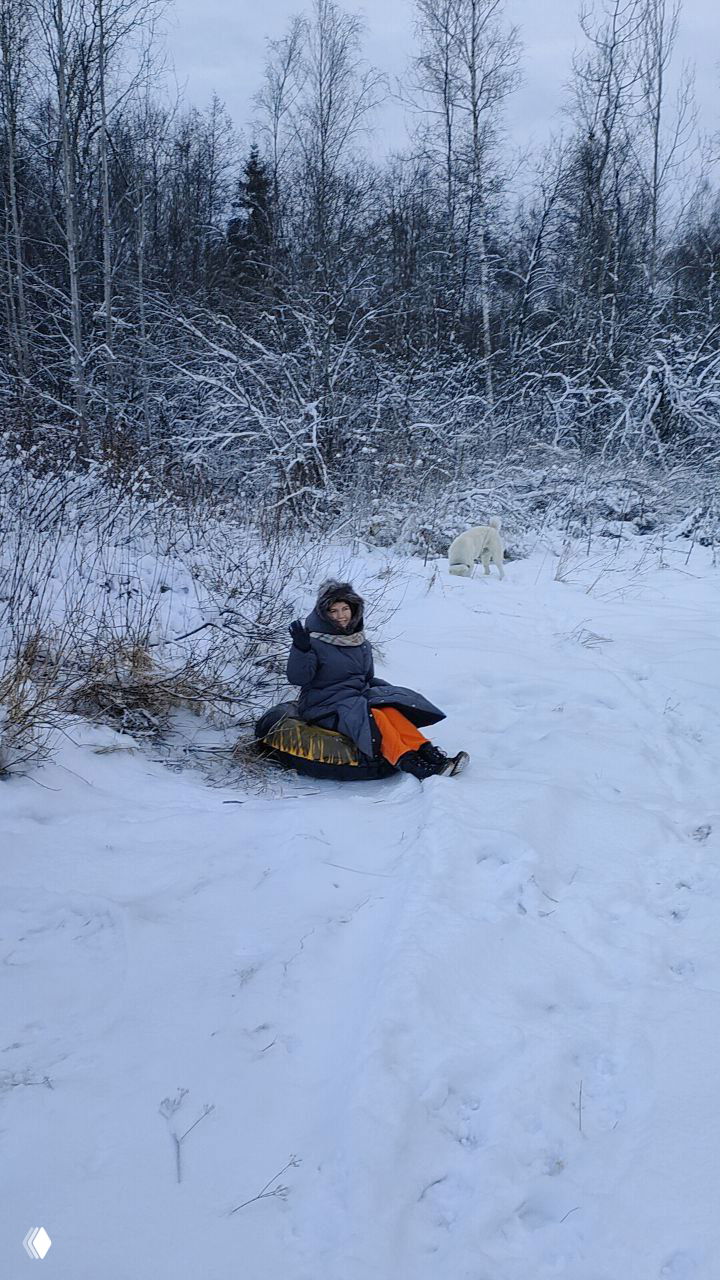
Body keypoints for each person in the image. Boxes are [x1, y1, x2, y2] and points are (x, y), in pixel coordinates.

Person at [287, 579, 469, 779]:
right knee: (375, 716)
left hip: (354, 699)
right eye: (333, 611)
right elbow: (298, 678)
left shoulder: (360, 642)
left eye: (345, 609)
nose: (341, 616)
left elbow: (367, 677)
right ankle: (409, 762)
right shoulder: (313, 641)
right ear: (324, 614)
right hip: (323, 704)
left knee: (389, 709)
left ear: (354, 609)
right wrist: (301, 649)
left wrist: (390, 695)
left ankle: (429, 753)